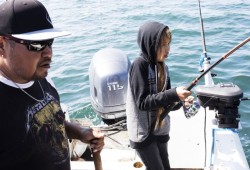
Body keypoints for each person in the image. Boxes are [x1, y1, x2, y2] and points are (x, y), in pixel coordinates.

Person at [0, 0, 104, 170]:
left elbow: (53, 121)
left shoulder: (43, 79)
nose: (48, 52)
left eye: (49, 42)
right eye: (36, 44)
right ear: (1, 44)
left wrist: (80, 133)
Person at [126, 21, 194, 170]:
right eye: (162, 45)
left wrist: (181, 101)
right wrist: (173, 93)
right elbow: (142, 102)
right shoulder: (139, 65)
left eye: (168, 44)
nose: (167, 49)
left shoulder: (163, 67)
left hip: (160, 128)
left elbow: (165, 103)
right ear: (150, 44)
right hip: (143, 133)